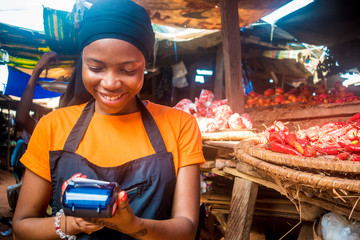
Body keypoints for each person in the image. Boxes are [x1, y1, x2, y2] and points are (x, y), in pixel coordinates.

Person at [12, 0, 205, 239]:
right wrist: (71, 224)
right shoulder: (53, 126)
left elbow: (186, 229)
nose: (111, 83)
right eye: (95, 67)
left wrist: (132, 225)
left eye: (128, 70)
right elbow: (21, 227)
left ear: (145, 64)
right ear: (82, 62)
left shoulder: (180, 126)